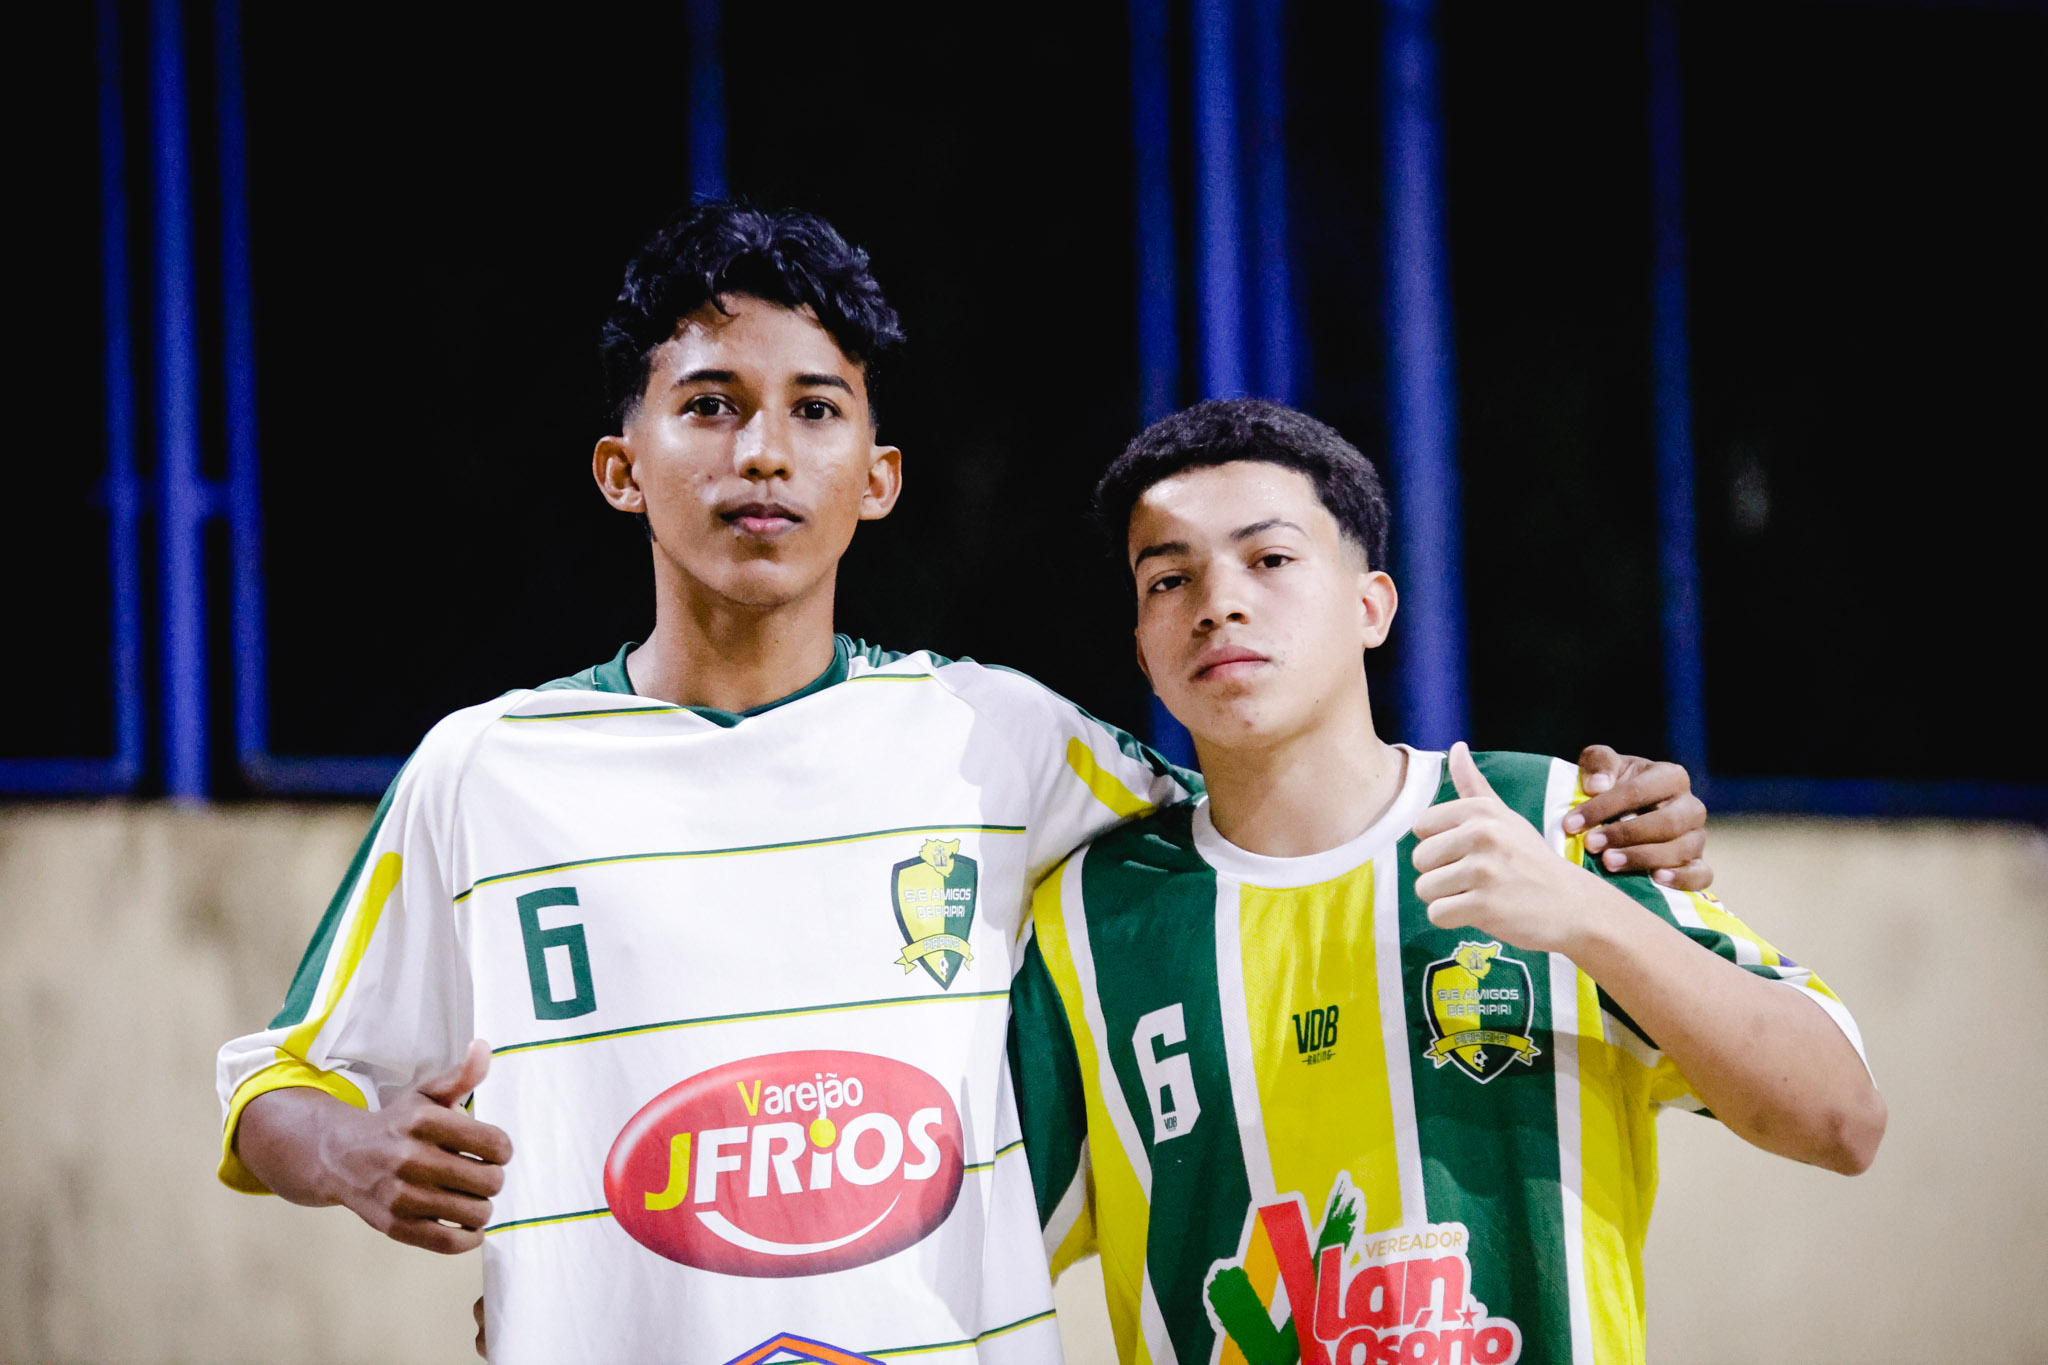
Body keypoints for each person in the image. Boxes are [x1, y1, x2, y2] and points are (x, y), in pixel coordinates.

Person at [214, 205, 1713, 1365]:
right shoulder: (487, 766)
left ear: (877, 476)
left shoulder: (1001, 739)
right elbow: (279, 1076)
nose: (763, 452)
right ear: (623, 466)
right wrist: (346, 1152)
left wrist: (1582, 810)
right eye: (711, 403)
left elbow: (1282, 802)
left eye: (815, 409)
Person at [1009, 399, 1885, 1365]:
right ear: (1143, 648)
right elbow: (967, 1244)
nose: (1219, 601)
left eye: (1271, 558)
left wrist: (1588, 916)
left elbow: (1841, 1121)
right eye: (1170, 578)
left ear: (1371, 606)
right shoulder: (1092, 916)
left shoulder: (1551, 818)